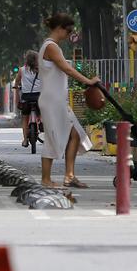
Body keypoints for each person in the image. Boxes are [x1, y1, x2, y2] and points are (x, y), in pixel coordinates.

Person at [38, 13, 100, 187]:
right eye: (69, 30)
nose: (68, 35)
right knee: (53, 137)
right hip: (52, 101)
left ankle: (69, 176)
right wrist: (89, 82)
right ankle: (46, 179)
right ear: (60, 28)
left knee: (75, 134)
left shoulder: (50, 46)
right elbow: (68, 70)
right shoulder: (51, 47)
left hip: (56, 99)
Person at [14, 50, 42, 147]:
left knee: (25, 118)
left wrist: (16, 87)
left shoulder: (21, 70)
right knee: (43, 112)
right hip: (39, 96)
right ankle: (41, 122)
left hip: (26, 97)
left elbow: (17, 82)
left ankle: (25, 140)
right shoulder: (41, 69)